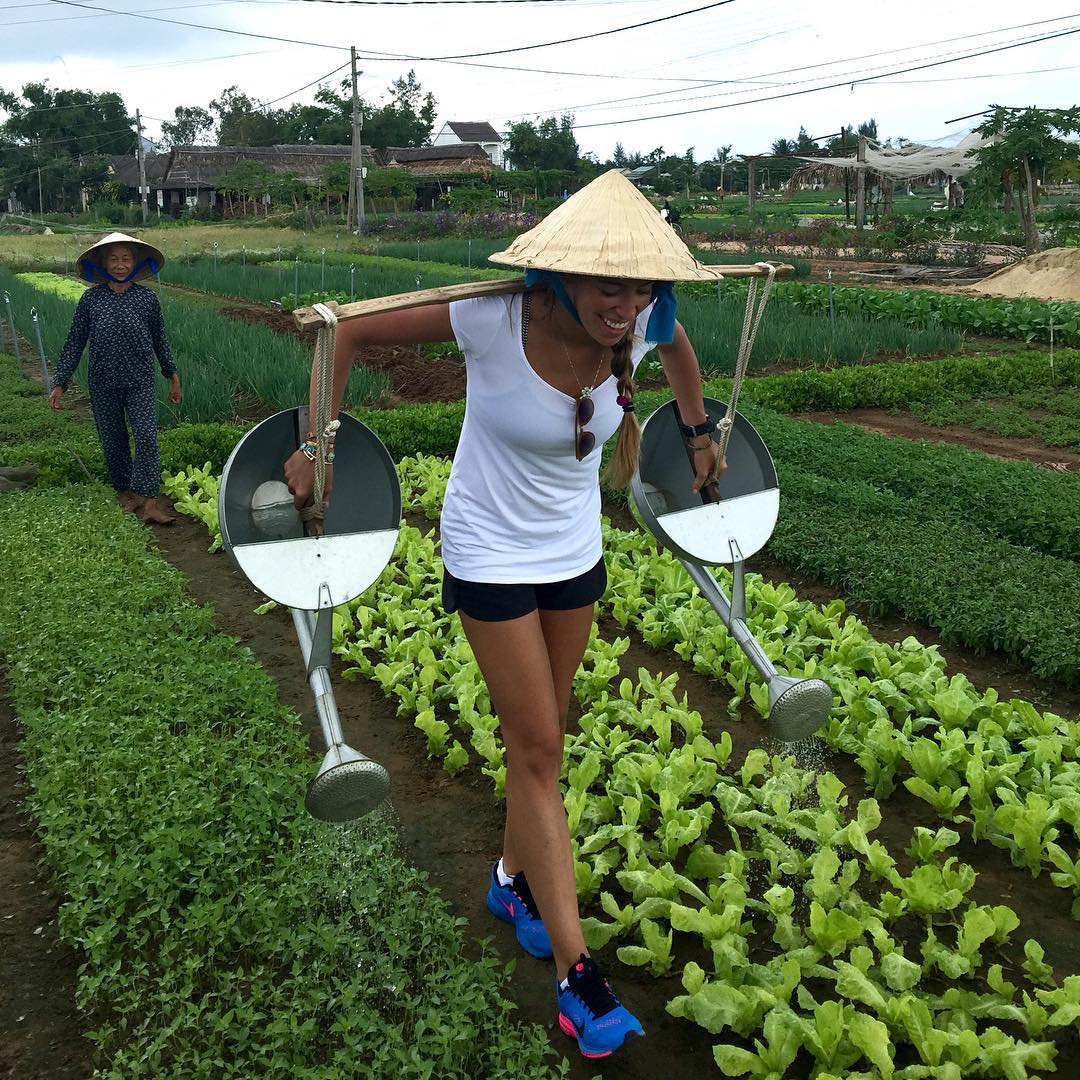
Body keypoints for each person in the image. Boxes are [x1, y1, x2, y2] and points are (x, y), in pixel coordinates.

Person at [285, 170, 724, 1060]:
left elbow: (680, 354)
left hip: (575, 556)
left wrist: (700, 427)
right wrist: (314, 440)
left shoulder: (639, 327)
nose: (627, 303)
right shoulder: (489, 318)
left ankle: (509, 879)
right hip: (488, 550)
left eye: (641, 285)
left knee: (546, 732)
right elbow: (351, 332)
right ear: (559, 274)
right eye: (611, 283)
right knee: (540, 749)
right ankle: (577, 977)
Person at [49, 232, 181, 525]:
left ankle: (150, 502)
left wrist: (171, 374)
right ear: (103, 263)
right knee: (113, 441)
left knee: (147, 438)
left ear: (135, 262)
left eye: (126, 259)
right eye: (114, 259)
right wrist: (60, 382)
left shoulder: (146, 298)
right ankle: (129, 495)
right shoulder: (91, 299)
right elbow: (75, 342)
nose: (120, 265)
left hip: (140, 380)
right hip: (103, 382)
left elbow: (160, 340)